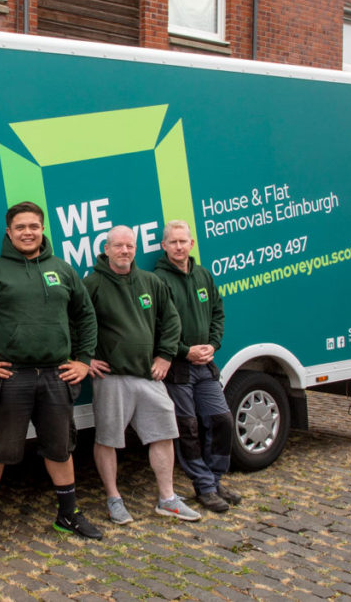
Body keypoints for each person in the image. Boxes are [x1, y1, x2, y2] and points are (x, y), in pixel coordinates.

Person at [0, 201, 102, 552]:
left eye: (34, 226)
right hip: (11, 377)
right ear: (9, 231)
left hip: (56, 376)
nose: (27, 232)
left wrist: (83, 361)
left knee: (60, 448)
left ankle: (68, 514)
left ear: (42, 229)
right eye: (20, 227)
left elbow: (86, 316)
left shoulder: (62, 270)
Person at [84, 226, 201, 524]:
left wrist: (164, 356)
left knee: (163, 434)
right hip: (111, 377)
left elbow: (171, 322)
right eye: (118, 246)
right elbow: (73, 322)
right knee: (108, 439)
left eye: (130, 246)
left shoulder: (151, 282)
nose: (125, 251)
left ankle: (168, 498)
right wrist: (85, 358)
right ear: (106, 249)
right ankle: (114, 499)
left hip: (150, 376)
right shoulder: (92, 284)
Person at [153, 220, 240, 513]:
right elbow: (154, 328)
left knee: (222, 421)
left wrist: (213, 345)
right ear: (164, 246)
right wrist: (183, 351)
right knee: (188, 429)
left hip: (206, 367)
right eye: (173, 242)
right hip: (179, 369)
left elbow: (218, 312)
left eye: (183, 241)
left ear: (192, 244)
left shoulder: (204, 275)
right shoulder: (157, 280)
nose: (179, 246)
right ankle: (203, 487)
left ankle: (215, 480)